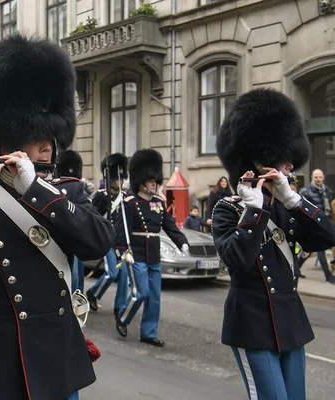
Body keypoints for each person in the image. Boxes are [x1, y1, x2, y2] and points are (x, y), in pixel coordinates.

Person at [0, 34, 113, 400]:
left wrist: (38, 191)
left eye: (52, 134)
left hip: (57, 357)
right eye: (35, 133)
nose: (48, 144)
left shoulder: (67, 192)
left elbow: (98, 243)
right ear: (5, 137)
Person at [212, 88, 335, 399]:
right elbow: (237, 260)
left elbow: (326, 236)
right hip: (251, 323)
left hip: (290, 322)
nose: (291, 167)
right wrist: (253, 209)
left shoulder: (285, 206)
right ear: (261, 159)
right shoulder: (228, 209)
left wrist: (293, 200)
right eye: (285, 160)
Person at [116, 149, 189, 344]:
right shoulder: (130, 203)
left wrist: (182, 242)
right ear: (141, 181)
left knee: (154, 297)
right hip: (137, 254)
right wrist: (123, 252)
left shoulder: (158, 203)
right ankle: (123, 318)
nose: (155, 185)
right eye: (151, 182)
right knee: (141, 293)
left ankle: (148, 333)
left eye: (156, 182)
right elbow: (121, 230)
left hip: (153, 255)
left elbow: (169, 226)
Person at [86, 153, 129, 317]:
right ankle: (93, 293)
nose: (120, 181)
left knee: (124, 274)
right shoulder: (101, 196)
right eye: (118, 178)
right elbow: (94, 217)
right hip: (107, 240)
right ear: (111, 178)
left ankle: (119, 307)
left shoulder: (124, 197)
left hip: (121, 242)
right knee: (113, 272)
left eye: (122, 178)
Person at [56, 150, 87, 292]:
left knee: (79, 277)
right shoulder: (56, 188)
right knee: (72, 276)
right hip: (63, 238)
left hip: (78, 237)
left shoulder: (79, 189)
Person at [296, 169, 335, 283]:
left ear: (323, 177)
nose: (318, 179)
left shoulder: (326, 190)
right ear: (312, 178)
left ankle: (296, 268)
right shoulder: (306, 191)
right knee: (320, 250)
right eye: (316, 177)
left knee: (308, 250)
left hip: (323, 222)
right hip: (312, 224)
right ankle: (328, 276)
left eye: (320, 177)